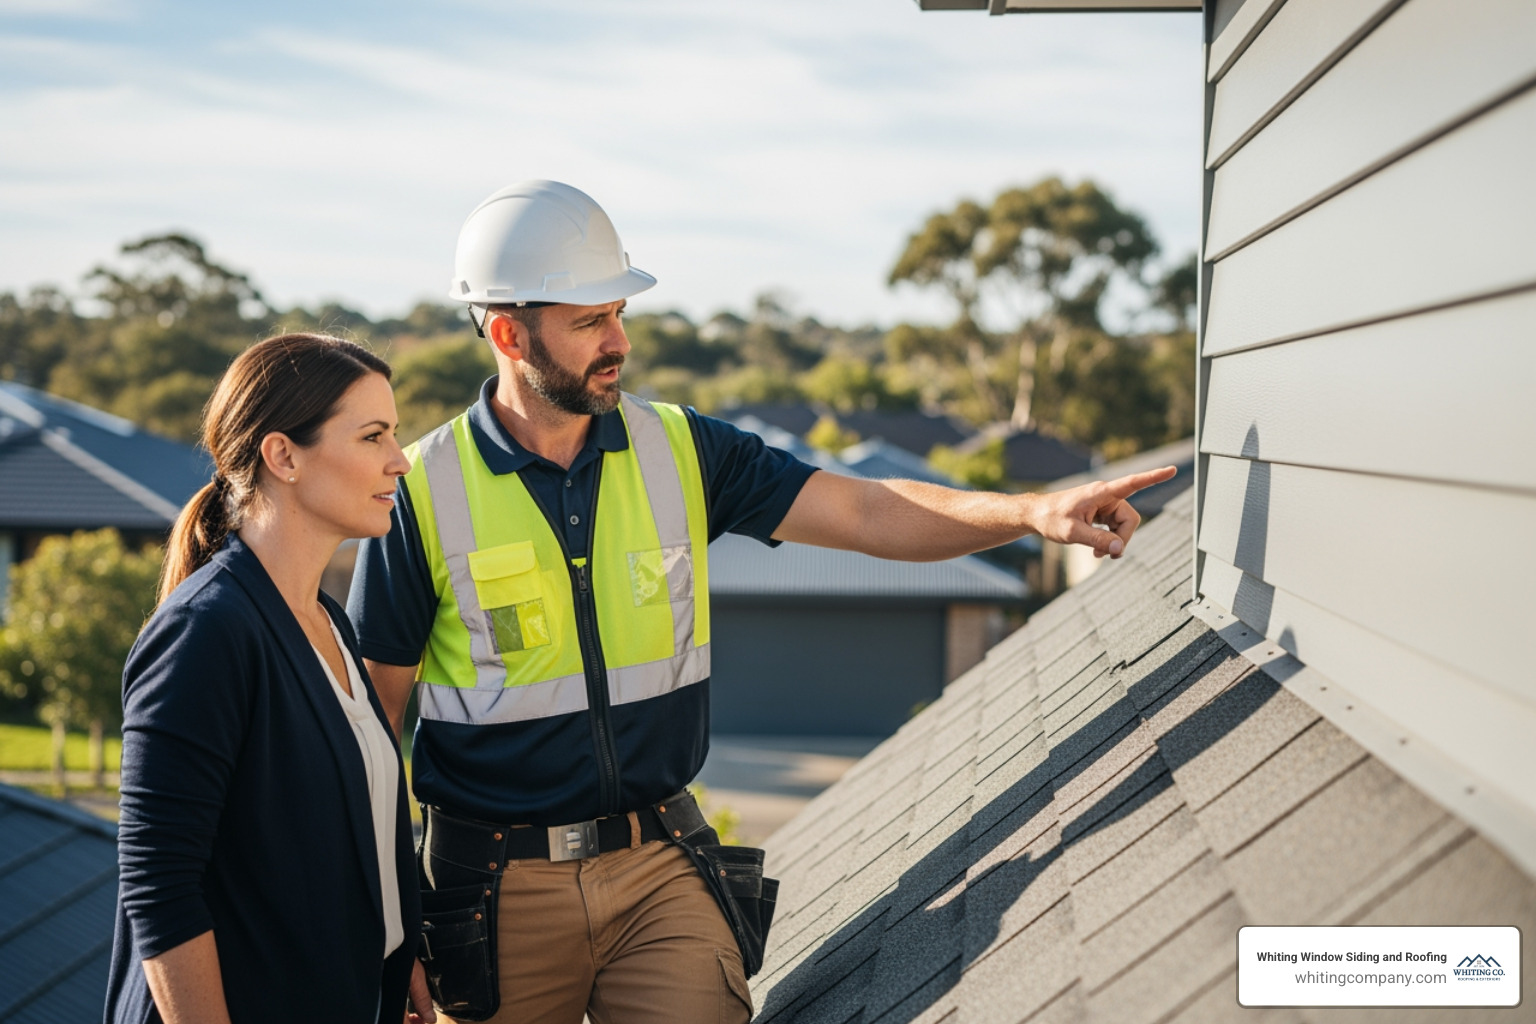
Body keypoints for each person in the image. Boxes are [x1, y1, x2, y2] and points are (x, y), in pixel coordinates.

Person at [348, 180, 1176, 1024]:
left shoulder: (681, 448)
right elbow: (374, 726)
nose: (620, 340)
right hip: (492, 891)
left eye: (620, 314)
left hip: (660, 867)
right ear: (508, 333)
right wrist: (387, 923)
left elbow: (864, 510)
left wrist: (1032, 513)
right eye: (591, 320)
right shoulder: (419, 493)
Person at [104, 334, 436, 1024]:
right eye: (373, 436)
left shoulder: (330, 624)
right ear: (283, 456)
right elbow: (159, 884)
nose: (400, 460)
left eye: (394, 433)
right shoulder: (205, 632)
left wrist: (393, 954)